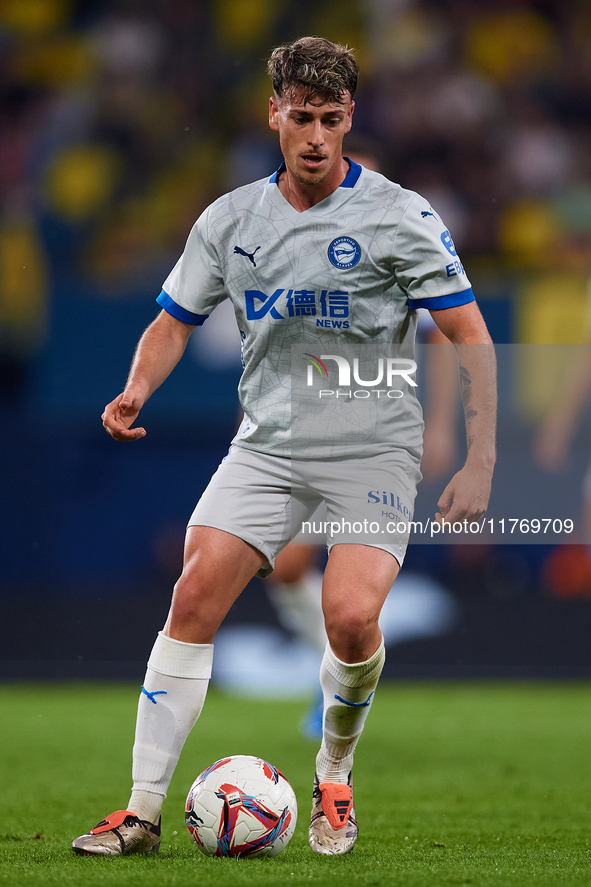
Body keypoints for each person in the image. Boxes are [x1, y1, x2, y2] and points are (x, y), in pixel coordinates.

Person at [72, 36, 496, 858]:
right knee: (194, 594)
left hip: (372, 448)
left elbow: (468, 334)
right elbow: (171, 322)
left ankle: (333, 773)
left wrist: (479, 457)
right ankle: (141, 811)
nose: (312, 135)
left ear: (349, 120)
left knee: (349, 617)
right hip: (267, 446)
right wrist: (135, 388)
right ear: (273, 113)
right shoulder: (230, 220)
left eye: (329, 119)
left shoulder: (399, 215)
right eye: (299, 116)